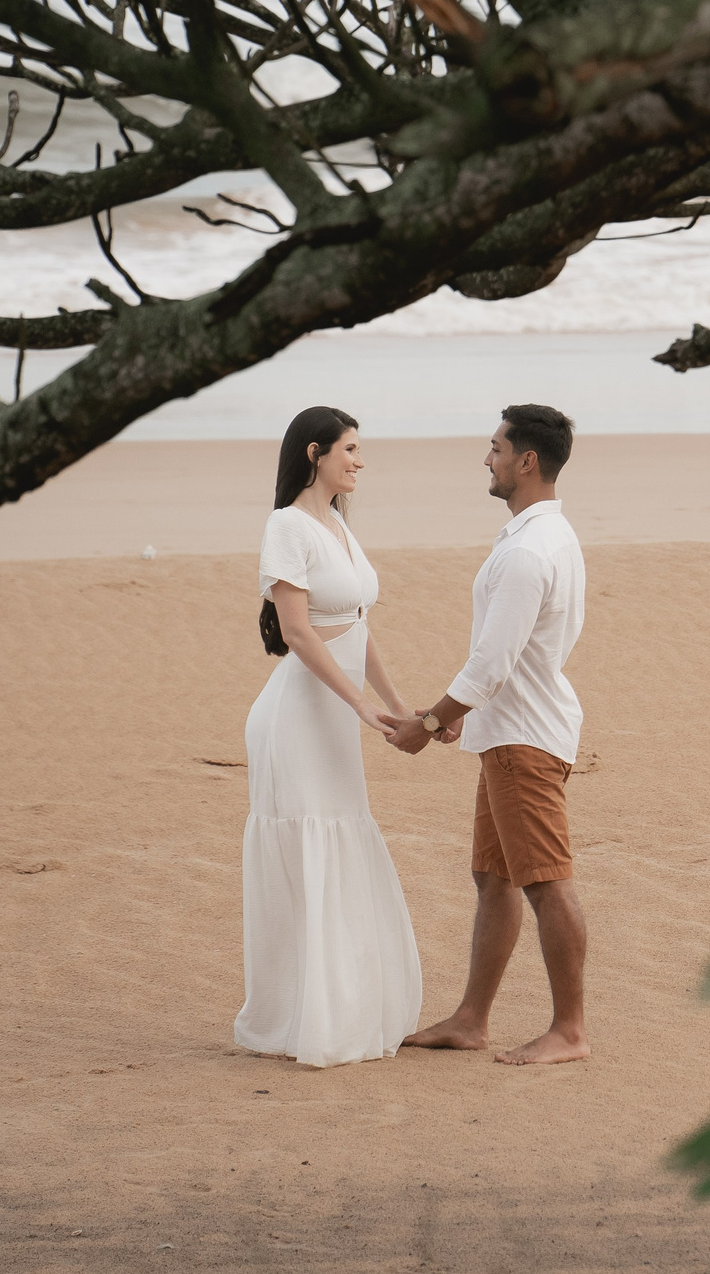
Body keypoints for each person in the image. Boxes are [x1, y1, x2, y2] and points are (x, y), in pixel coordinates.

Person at [384, 404, 592, 1067]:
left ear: (526, 460)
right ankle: (472, 1019)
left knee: (545, 880)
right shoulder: (542, 536)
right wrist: (465, 712)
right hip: (513, 725)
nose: (487, 457)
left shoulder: (531, 550)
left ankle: (569, 1030)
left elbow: (493, 661)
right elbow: (511, 654)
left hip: (525, 737)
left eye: (496, 446)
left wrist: (430, 722)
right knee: (493, 875)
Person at [233, 405, 424, 1068]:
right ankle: (300, 1018)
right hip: (297, 716)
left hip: (338, 713)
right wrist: (363, 707)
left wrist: (402, 708)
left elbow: (358, 625)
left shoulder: (339, 523)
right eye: (350, 448)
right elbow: (299, 632)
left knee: (344, 838)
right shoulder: (286, 525)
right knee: (312, 848)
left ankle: (342, 1009)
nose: (359, 460)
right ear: (315, 453)